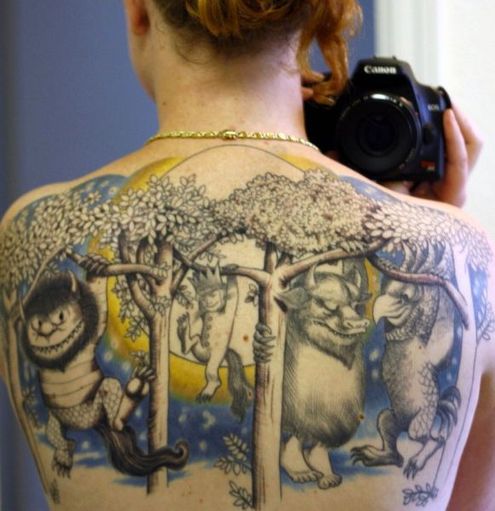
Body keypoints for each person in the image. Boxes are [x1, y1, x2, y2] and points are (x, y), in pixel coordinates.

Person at [0, 1, 492, 510]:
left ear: (139, 12)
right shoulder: (466, 252)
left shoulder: (27, 233)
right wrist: (431, 225)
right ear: (321, 17)